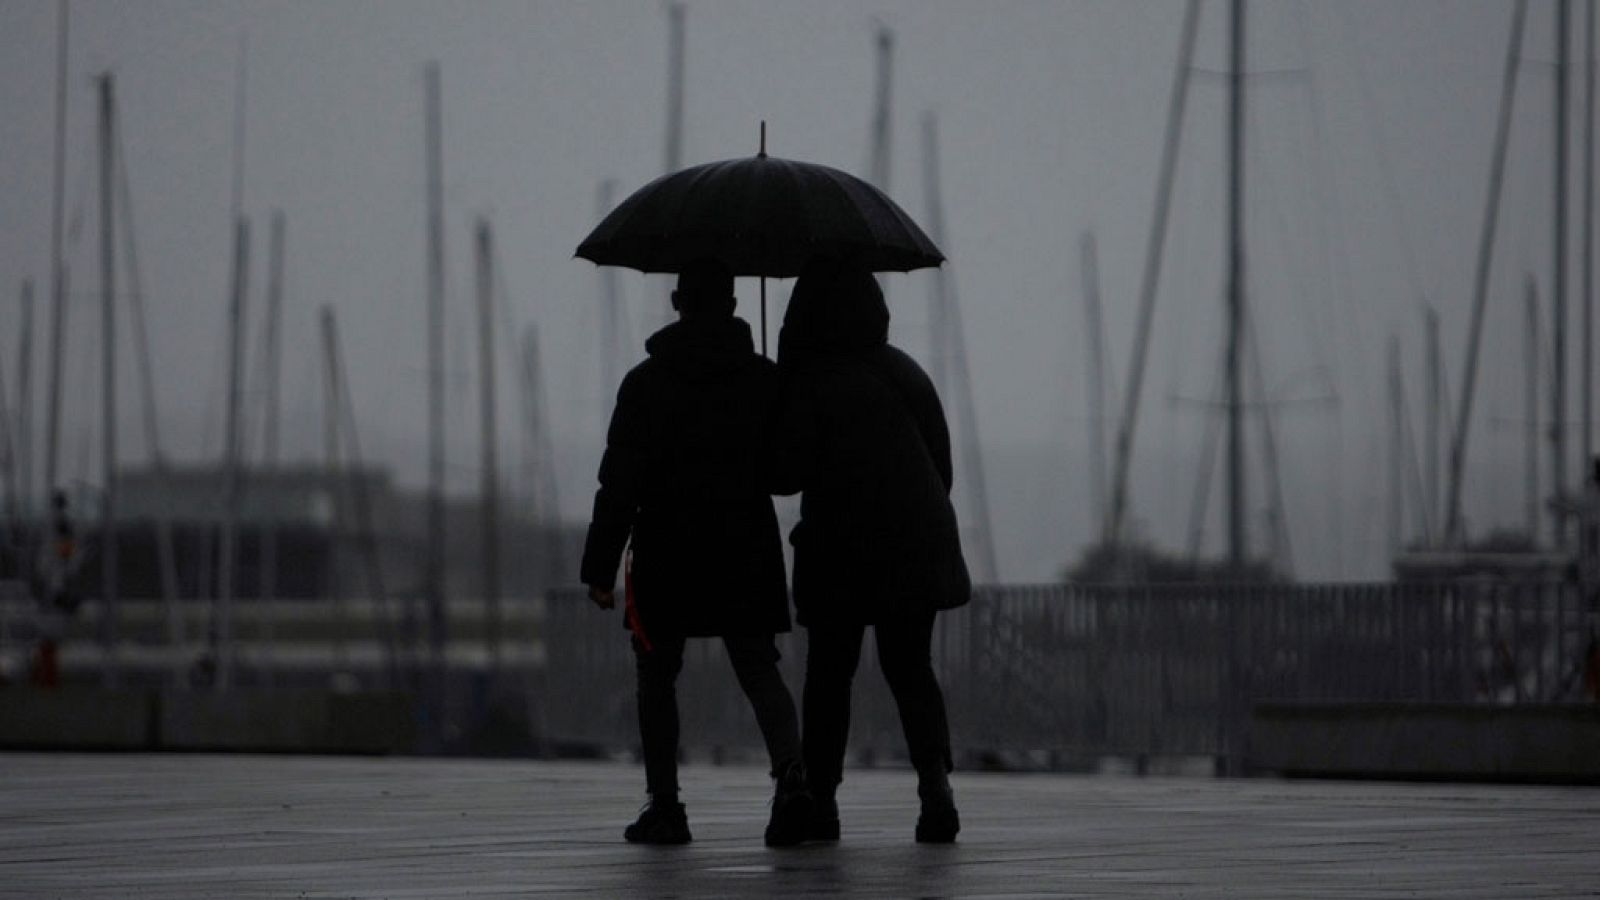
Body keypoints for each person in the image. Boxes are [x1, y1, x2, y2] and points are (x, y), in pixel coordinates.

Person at [580, 258, 812, 847]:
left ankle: (665, 806)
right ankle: (792, 781)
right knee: (758, 668)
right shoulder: (762, 380)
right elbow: (786, 477)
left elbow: (620, 484)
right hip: (745, 547)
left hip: (668, 550)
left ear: (678, 303)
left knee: (656, 674)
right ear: (734, 306)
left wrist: (600, 569)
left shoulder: (645, 383)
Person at [774, 256, 970, 844]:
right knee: (910, 668)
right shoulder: (906, 373)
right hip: (915, 547)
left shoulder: (811, 382)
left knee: (829, 674)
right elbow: (943, 471)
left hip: (840, 551)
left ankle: (822, 800)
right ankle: (936, 790)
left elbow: (784, 474)